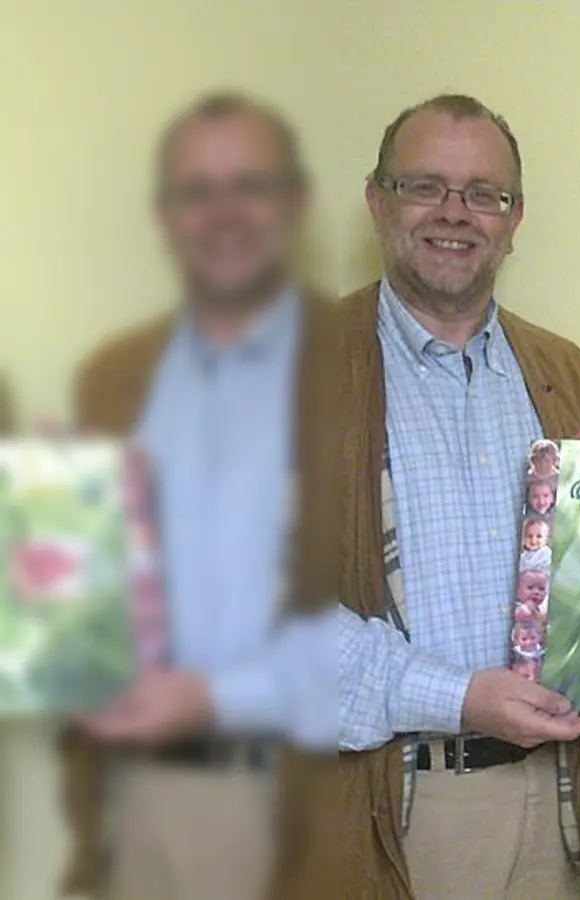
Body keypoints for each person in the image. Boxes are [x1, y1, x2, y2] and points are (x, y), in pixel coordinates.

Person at [334, 93, 580, 900]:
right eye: (425, 186)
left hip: (562, 799)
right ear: (377, 198)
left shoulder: (568, 372)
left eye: (484, 194)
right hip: (390, 807)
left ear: (514, 217)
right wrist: (462, 697)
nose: (455, 214)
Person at [60, 91, 343, 900]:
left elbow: (383, 612)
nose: (223, 214)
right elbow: (88, 604)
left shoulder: (355, 357)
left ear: (295, 202)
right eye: (196, 191)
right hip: (132, 802)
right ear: (165, 214)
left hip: (296, 806)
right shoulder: (113, 375)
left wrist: (214, 696)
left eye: (249, 185)